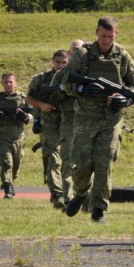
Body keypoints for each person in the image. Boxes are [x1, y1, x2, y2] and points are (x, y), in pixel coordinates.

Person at [64, 17, 134, 224]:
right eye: (103, 36)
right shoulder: (83, 54)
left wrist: (126, 99)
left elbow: (133, 86)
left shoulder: (122, 56)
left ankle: (99, 210)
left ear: (116, 34)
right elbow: (65, 82)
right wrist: (80, 88)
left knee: (105, 164)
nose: (106, 40)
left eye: (111, 36)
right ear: (96, 32)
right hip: (85, 119)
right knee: (81, 165)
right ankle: (80, 193)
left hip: (110, 120)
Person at [26, 50, 70, 208]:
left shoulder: (73, 78)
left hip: (68, 123)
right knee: (53, 160)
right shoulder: (41, 79)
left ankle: (69, 194)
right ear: (53, 61)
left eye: (64, 62)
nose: (60, 65)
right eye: (58, 62)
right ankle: (57, 194)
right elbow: (29, 98)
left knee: (69, 161)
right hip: (49, 123)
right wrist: (41, 105)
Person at [51, 39, 85, 203]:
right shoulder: (60, 75)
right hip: (69, 121)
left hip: (89, 121)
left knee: (87, 162)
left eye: (81, 48)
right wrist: (64, 89)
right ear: (69, 52)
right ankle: (68, 198)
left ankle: (86, 197)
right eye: (74, 49)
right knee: (68, 160)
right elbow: (52, 98)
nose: (78, 51)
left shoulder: (90, 71)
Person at [0, 72, 32, 199]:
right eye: (6, 82)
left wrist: (25, 116)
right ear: (2, 84)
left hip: (18, 137)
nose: (8, 84)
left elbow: (33, 115)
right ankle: (8, 188)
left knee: (15, 167)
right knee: (7, 163)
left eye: (11, 82)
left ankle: (10, 181)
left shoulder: (23, 98)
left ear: (15, 83)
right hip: (2, 137)